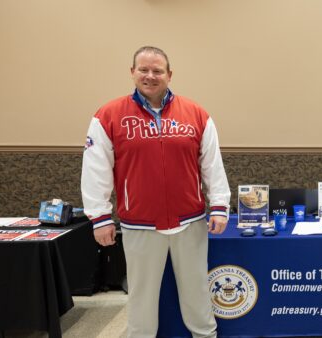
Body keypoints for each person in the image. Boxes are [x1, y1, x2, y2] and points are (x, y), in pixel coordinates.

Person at [81, 46, 230, 338]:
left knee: (197, 289)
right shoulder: (108, 115)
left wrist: (220, 204)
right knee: (141, 295)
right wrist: (100, 216)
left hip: (190, 221)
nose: (150, 76)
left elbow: (212, 162)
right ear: (132, 72)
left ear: (169, 74)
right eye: (144, 70)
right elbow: (96, 168)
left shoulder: (196, 114)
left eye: (157, 70)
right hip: (140, 223)